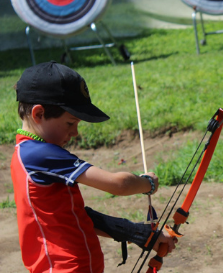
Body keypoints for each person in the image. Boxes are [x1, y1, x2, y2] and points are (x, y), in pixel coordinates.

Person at [11, 61, 176, 273]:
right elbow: (119, 185)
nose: (75, 133)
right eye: (70, 123)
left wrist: (138, 233)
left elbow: (77, 215)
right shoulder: (40, 154)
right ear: (39, 114)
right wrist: (148, 183)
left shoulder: (27, 153)